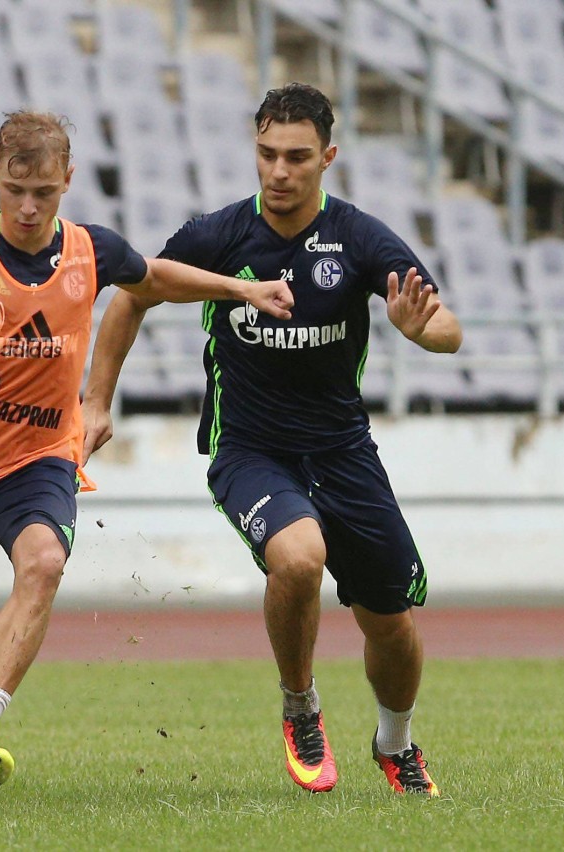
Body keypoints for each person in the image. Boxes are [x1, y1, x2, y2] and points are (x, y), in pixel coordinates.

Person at [0, 111, 293, 797]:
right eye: (14, 190)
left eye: (43, 192)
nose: (28, 207)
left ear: (67, 179)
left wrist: (240, 287)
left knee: (45, 562)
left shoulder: (91, 251)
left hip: (37, 460)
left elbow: (151, 279)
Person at [82, 84, 461, 796]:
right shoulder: (221, 236)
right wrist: (95, 401)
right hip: (249, 451)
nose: (278, 171)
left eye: (296, 157)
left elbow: (448, 326)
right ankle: (300, 707)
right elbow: (134, 292)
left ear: (328, 158)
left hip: (345, 454)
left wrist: (421, 331)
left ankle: (396, 743)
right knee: (299, 559)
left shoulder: (358, 238)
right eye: (266, 154)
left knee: (393, 624)